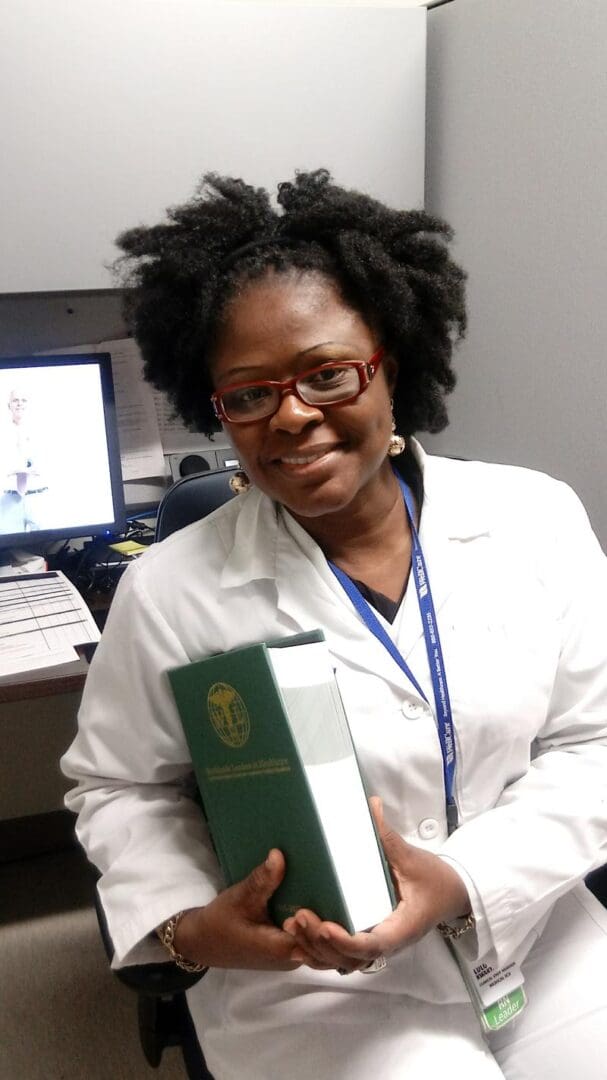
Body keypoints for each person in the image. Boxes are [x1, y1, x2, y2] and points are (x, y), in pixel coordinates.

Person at [61, 171, 607, 1080]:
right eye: (248, 394)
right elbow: (120, 788)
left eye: (326, 374)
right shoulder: (171, 589)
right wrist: (193, 927)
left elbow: (595, 736)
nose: (291, 416)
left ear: (389, 362)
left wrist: (464, 881)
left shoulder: (534, 519)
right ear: (217, 409)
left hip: (532, 929)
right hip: (311, 982)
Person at [0, 387, 48, 534]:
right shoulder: (2, 431)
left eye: (23, 400)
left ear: (28, 404)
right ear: (9, 405)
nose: (19, 404)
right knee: (10, 547)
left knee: (44, 544)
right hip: (10, 497)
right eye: (15, 400)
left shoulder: (42, 430)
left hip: (37, 495)